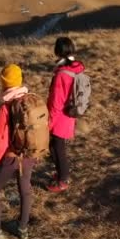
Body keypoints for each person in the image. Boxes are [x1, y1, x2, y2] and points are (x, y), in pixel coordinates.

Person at [0, 64, 41, 239]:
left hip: (11, 157)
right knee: (25, 189)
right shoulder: (31, 100)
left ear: (4, 83)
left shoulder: (6, 107)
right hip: (30, 154)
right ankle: (22, 228)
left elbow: (0, 139)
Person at [46, 37, 85, 193]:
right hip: (71, 112)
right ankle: (62, 173)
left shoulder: (62, 74)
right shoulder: (77, 67)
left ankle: (63, 179)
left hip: (60, 116)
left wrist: (49, 122)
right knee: (55, 146)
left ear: (57, 51)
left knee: (58, 147)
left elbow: (56, 102)